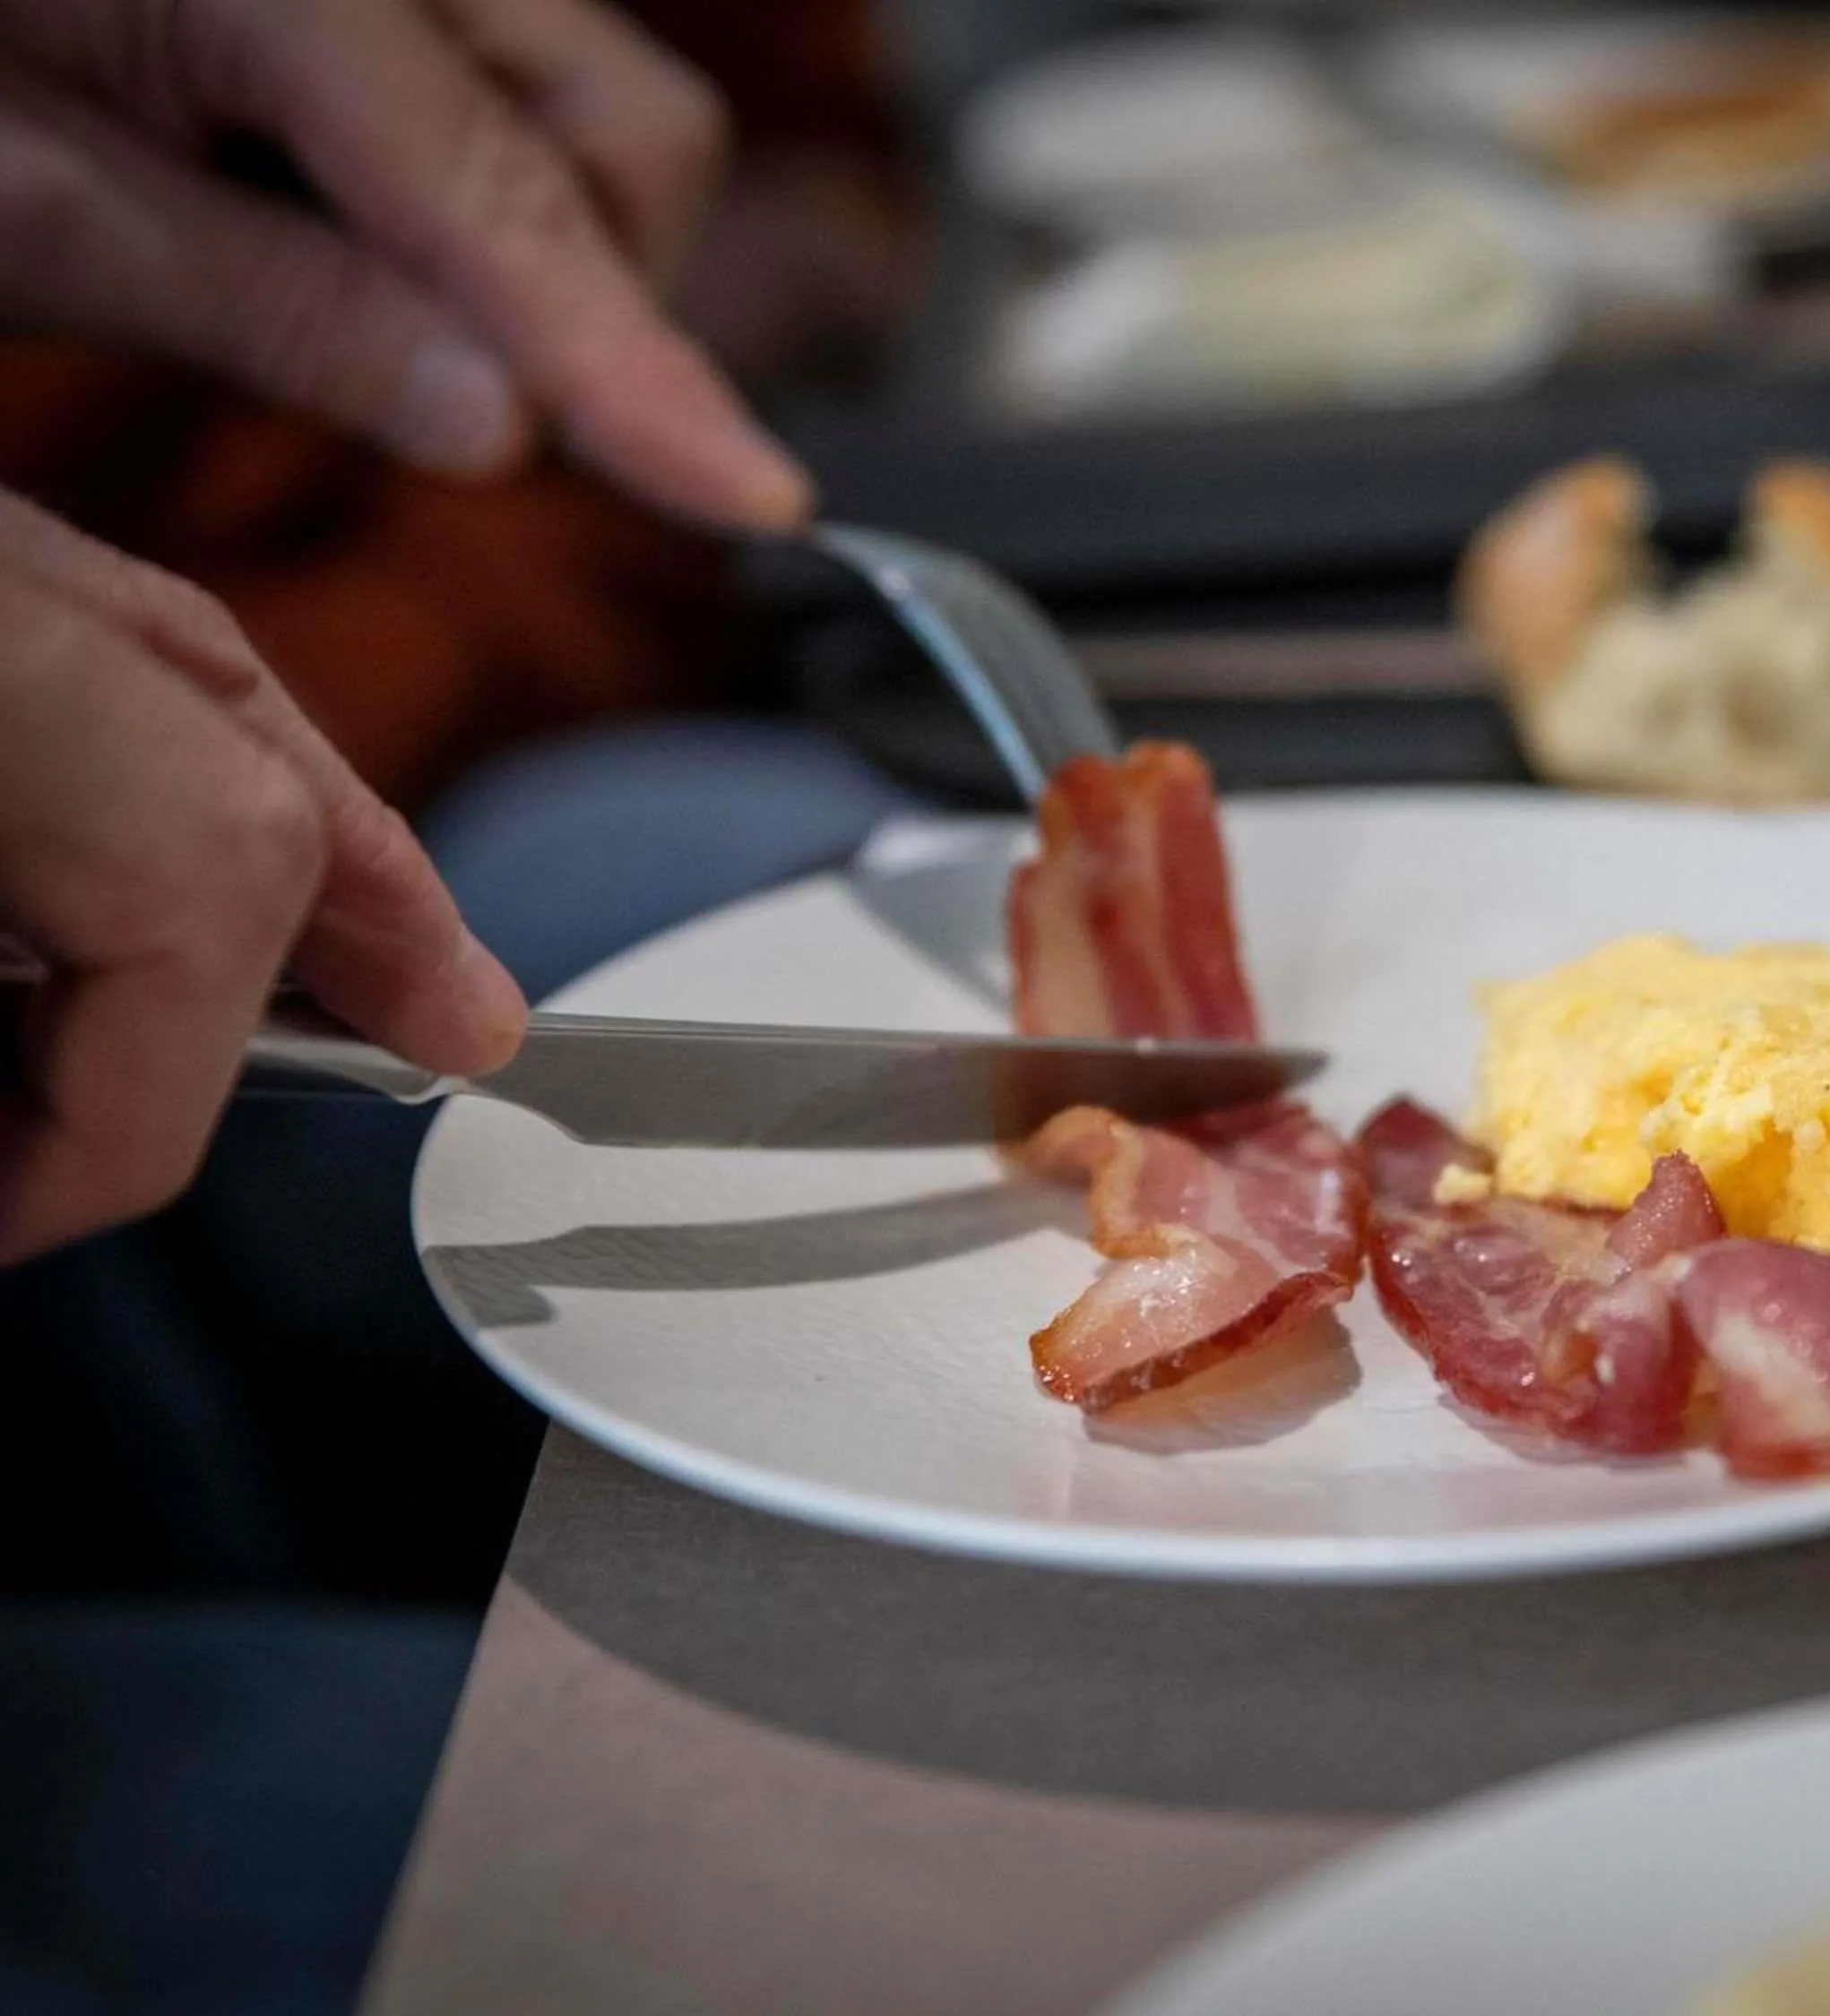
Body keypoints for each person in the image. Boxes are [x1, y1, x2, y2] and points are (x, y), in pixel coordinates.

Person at [0, 4, 898, 2005]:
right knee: (764, 1897)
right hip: (191, 763)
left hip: (284, 716)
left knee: (793, 879)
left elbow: (718, 177)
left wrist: (237, 764)